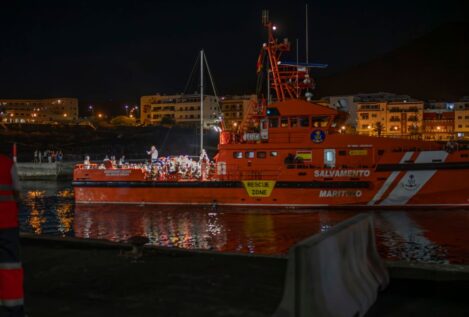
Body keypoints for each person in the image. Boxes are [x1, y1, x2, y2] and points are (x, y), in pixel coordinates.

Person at [0, 151, 24, 316]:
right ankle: (14, 310)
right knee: (10, 269)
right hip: (7, 225)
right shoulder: (7, 163)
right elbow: (17, 192)